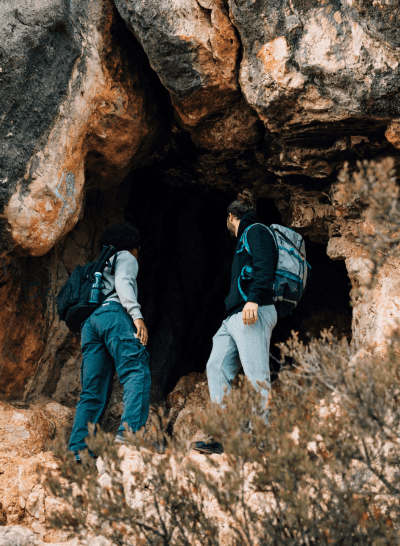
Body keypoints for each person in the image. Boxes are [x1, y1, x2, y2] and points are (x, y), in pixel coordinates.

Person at [192, 191, 278, 454]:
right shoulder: (246, 238)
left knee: (256, 376)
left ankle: (260, 441)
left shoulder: (256, 231)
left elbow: (265, 264)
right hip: (234, 317)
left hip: (253, 311)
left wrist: (254, 299)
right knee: (216, 366)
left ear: (231, 216)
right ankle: (222, 435)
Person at [68, 222, 151, 461]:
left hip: (90, 323)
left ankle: (78, 451)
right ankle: (129, 436)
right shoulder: (126, 256)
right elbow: (123, 283)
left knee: (92, 391)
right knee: (136, 370)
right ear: (133, 246)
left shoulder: (100, 264)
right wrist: (137, 317)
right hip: (113, 315)